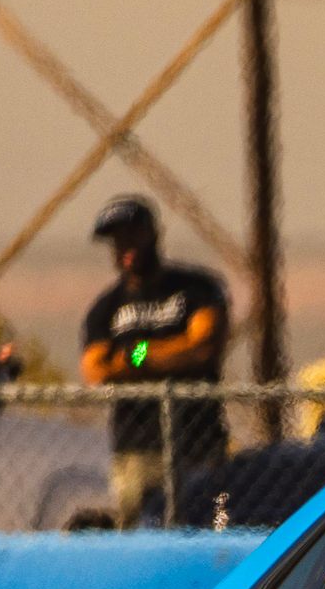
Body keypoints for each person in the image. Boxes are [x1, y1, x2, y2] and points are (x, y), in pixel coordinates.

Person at [79, 196, 231, 526]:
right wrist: (170, 351)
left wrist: (138, 354)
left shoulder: (197, 288)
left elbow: (203, 347)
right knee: (137, 527)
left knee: (204, 524)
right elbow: (96, 369)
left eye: (132, 235)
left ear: (153, 234)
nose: (125, 247)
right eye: (116, 241)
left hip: (198, 443)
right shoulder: (107, 307)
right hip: (137, 449)